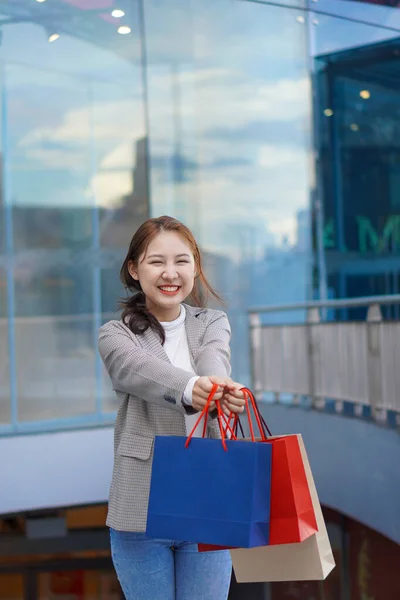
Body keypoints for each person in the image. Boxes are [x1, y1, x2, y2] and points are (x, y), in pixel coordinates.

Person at [98, 215, 247, 600]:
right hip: (141, 511)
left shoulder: (213, 321)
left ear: (195, 267)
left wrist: (222, 388)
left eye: (182, 261)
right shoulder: (116, 335)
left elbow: (215, 359)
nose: (171, 272)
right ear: (134, 268)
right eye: (156, 261)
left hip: (209, 501)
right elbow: (135, 370)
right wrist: (190, 387)